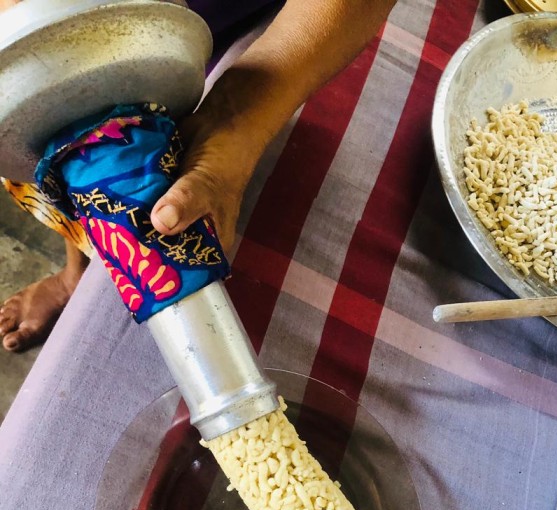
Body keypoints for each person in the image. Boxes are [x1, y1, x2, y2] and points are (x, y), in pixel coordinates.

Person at [0, 0, 396, 351]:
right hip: (36, 44)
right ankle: (75, 274)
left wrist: (237, 114)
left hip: (192, 20)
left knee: (146, 169)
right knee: (81, 165)